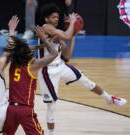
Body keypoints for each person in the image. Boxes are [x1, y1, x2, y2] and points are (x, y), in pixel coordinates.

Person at [37, 4, 127, 135]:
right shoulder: (47, 28)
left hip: (60, 66)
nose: (56, 19)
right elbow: (66, 36)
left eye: (57, 17)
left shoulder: (57, 33)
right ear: (46, 19)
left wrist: (73, 35)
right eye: (53, 17)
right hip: (47, 71)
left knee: (86, 81)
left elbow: (67, 55)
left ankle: (109, 98)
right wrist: (73, 23)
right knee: (52, 105)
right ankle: (50, 133)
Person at [3, 18, 58, 135]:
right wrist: (43, 38)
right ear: (27, 54)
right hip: (25, 110)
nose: (32, 52)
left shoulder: (13, 62)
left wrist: (11, 30)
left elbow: (13, 47)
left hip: (11, 109)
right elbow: (54, 53)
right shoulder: (33, 66)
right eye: (31, 51)